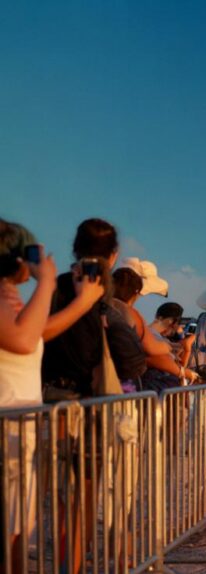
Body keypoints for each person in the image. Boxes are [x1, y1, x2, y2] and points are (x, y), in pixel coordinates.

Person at [0, 220, 56, 572]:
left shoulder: (8, 296)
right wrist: (47, 282)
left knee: (19, 529)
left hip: (18, 431)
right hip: (7, 428)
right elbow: (22, 340)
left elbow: (32, 333)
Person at [42, 218, 138, 400]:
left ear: (75, 250)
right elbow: (133, 361)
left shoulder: (56, 285)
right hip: (85, 396)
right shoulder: (102, 293)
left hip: (46, 392)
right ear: (113, 255)